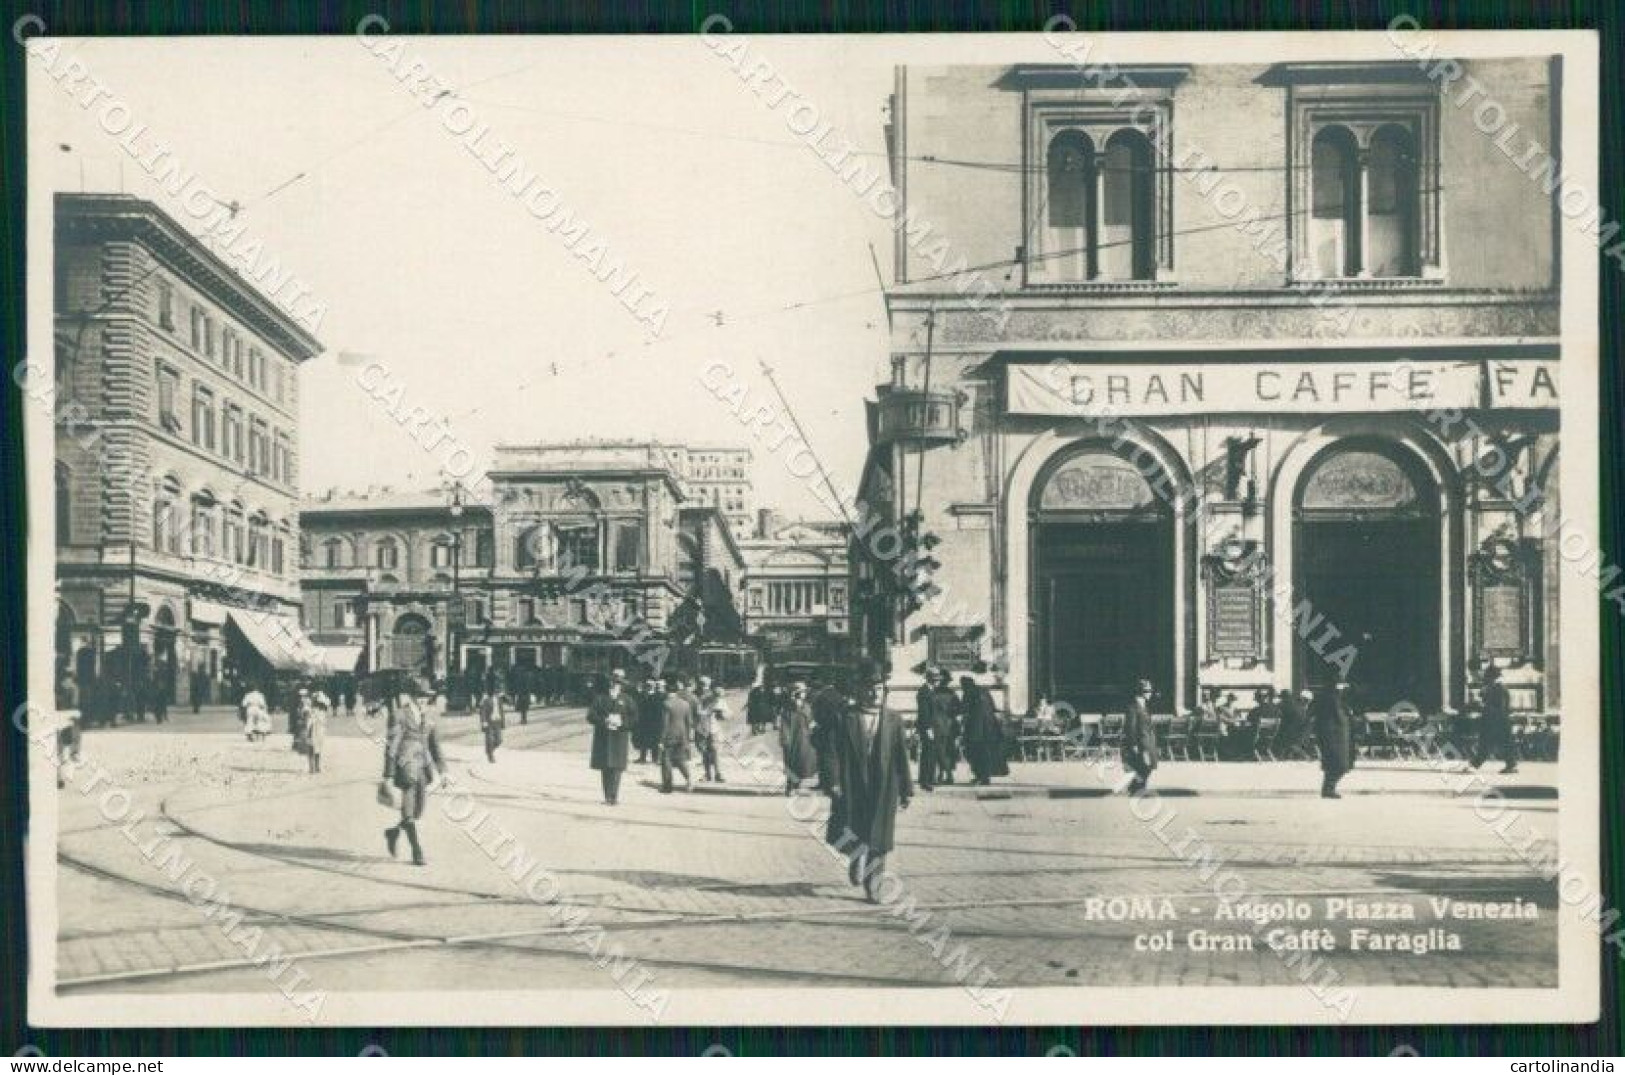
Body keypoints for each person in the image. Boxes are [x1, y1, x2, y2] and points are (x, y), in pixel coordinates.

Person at [824, 668, 912, 903]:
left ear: (884, 692)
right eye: (869, 688)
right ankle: (855, 855)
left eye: (879, 689)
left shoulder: (894, 719)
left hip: (884, 785)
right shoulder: (845, 716)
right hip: (853, 782)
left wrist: (906, 789)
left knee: (879, 838)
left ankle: (873, 886)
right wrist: (833, 782)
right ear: (860, 690)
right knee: (853, 830)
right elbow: (831, 751)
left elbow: (901, 755)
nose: (874, 693)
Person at [383, 684, 442, 866]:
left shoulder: (430, 718)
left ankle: (393, 832)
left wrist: (443, 771)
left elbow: (435, 746)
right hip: (406, 768)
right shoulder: (399, 715)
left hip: (423, 769)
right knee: (408, 812)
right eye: (420, 696)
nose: (424, 700)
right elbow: (391, 747)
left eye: (426, 697)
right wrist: (389, 775)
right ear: (412, 697)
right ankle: (417, 851)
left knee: (417, 812)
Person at [587, 670, 635, 805]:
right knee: (605, 767)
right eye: (613, 683)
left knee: (617, 767)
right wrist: (604, 721)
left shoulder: (627, 700)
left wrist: (623, 723)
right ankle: (607, 795)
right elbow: (591, 715)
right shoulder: (600, 698)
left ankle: (613, 796)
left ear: (622, 685)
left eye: (618, 683)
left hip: (619, 737)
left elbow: (634, 717)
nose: (615, 686)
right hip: (604, 737)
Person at [959, 675, 1008, 785]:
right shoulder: (984, 691)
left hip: (975, 730)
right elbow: (994, 708)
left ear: (965, 685)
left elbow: (964, 709)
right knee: (986, 753)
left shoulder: (968, 693)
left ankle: (981, 776)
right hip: (990, 729)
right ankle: (984, 777)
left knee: (974, 753)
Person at [1471, 664, 1519, 774]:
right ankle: (1510, 765)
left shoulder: (1499, 689)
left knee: (1488, 742)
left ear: (1492, 677)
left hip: (1498, 721)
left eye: (1487, 677)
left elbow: (1499, 707)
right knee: (1497, 742)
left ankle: (1476, 764)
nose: (1485, 679)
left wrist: (1483, 707)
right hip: (1497, 720)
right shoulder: (1494, 688)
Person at [1312, 680, 1355, 798]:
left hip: (1340, 737)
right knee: (1338, 764)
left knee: (1337, 765)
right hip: (1334, 737)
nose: (1344, 689)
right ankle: (1328, 789)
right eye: (1342, 686)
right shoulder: (1331, 699)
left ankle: (1328, 789)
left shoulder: (1337, 699)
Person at [778, 680, 819, 795]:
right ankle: (790, 785)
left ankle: (797, 782)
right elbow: (784, 724)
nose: (803, 694)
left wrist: (814, 730)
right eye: (801, 692)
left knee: (803, 762)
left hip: (804, 738)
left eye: (804, 692)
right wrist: (785, 739)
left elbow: (811, 720)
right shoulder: (788, 708)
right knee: (790, 761)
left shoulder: (807, 706)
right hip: (791, 738)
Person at [659, 675, 696, 793]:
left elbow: (665, 723)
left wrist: (661, 739)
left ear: (667, 691)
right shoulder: (685, 704)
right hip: (683, 734)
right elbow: (689, 722)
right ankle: (689, 778)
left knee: (666, 760)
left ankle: (667, 785)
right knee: (680, 759)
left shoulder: (666, 704)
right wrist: (689, 736)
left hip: (670, 734)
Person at [1122, 679, 1158, 794]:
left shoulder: (1144, 706)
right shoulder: (1133, 707)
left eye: (1150, 691)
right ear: (1141, 692)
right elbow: (1131, 727)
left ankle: (1137, 787)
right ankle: (1138, 788)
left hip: (1147, 741)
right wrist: (1133, 744)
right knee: (1144, 766)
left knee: (1149, 765)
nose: (1150, 693)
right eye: (1147, 691)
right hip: (1141, 742)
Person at [694, 675, 728, 783]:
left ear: (709, 685)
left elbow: (724, 712)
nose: (703, 686)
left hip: (713, 728)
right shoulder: (695, 696)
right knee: (704, 752)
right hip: (700, 727)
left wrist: (720, 713)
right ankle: (707, 774)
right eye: (701, 684)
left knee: (715, 751)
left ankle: (718, 774)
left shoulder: (714, 695)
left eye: (706, 684)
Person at [915, 666, 943, 792]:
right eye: (936, 679)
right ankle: (926, 781)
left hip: (932, 727)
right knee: (928, 754)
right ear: (930, 679)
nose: (938, 681)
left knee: (930, 753)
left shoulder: (930, 691)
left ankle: (928, 779)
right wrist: (928, 729)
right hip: (928, 728)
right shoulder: (924, 692)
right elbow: (924, 713)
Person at [56, 672, 82, 789]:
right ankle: (60, 778)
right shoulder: (60, 691)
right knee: (59, 751)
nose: (67, 683)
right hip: (61, 722)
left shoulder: (73, 689)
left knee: (62, 751)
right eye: (66, 681)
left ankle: (60, 777)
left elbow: (75, 705)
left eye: (69, 681)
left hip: (67, 721)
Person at [1274, 687, 1309, 759]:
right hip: (1300, 733)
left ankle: (1281, 754)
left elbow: (1277, 717)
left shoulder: (1282, 705)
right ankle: (1288, 753)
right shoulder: (1298, 706)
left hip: (1290, 734)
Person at [634, 679, 662, 764]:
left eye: (650, 685)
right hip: (643, 721)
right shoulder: (642, 695)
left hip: (654, 722)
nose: (648, 687)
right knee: (643, 740)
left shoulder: (657, 696)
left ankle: (655, 758)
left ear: (653, 686)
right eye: (647, 685)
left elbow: (658, 710)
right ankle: (642, 757)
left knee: (654, 740)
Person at [478, 689, 506, 764]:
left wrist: (503, 722)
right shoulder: (486, 700)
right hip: (489, 722)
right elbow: (482, 711)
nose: (498, 694)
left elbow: (501, 711)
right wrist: (483, 721)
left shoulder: (499, 700)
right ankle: (491, 756)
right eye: (497, 692)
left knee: (499, 740)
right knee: (489, 740)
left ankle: (489, 751)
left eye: (498, 693)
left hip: (497, 721)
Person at [304, 691, 330, 774]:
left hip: (314, 730)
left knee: (311, 749)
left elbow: (310, 722)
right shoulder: (323, 712)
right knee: (318, 749)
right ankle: (317, 767)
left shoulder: (313, 711)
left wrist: (308, 731)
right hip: (321, 731)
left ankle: (311, 768)